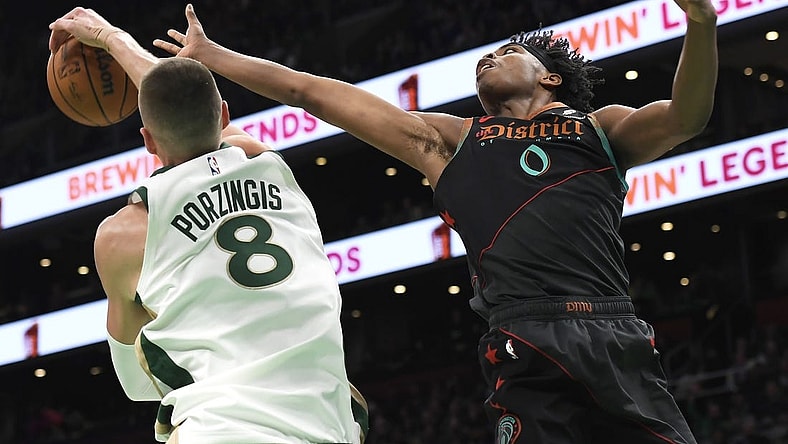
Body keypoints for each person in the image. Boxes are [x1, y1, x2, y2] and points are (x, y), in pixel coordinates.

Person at [152, 2, 718, 443]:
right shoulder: (449, 140)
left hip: (611, 330)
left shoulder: (600, 129)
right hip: (524, 340)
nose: (487, 59)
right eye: (484, 59)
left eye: (506, 52)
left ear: (549, 79)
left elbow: (686, 117)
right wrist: (215, 56)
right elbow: (313, 94)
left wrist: (701, 23)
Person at [48, 8, 368, 444]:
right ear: (224, 115)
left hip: (220, 430)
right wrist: (112, 37)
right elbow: (181, 97)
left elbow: (138, 383)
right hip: (326, 427)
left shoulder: (122, 236)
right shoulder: (265, 163)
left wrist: (110, 38)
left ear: (148, 141)